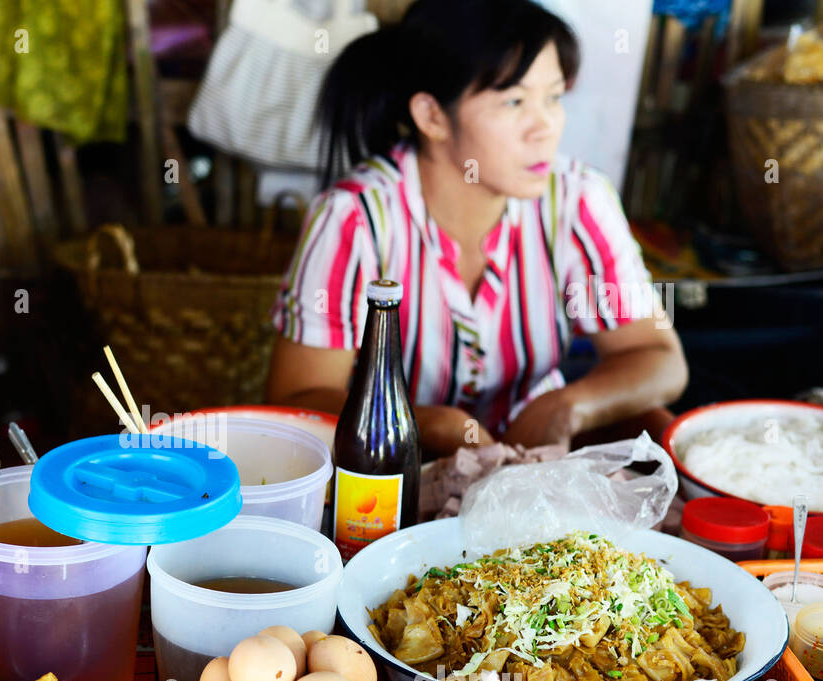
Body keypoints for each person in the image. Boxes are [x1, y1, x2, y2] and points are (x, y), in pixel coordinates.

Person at [265, 0, 687, 458]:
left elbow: (662, 359)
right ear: (431, 116)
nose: (545, 127)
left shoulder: (576, 201)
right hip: (387, 477)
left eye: (553, 97)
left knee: (655, 429)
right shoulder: (355, 219)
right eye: (514, 101)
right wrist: (435, 426)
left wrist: (568, 406)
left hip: (534, 465)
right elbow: (295, 401)